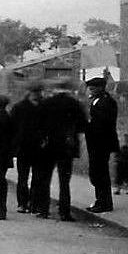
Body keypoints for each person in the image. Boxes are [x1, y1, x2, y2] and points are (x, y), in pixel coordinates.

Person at [30, 81, 86, 221]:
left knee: (45, 179)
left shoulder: (46, 103)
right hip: (66, 147)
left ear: (54, 89)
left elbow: (36, 125)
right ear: (67, 89)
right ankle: (64, 212)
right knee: (64, 181)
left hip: (48, 146)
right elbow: (82, 125)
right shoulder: (74, 104)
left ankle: (44, 210)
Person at [84, 76, 119, 213]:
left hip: (101, 143)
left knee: (100, 173)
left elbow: (103, 123)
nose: (90, 91)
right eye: (90, 88)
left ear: (101, 88)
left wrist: (88, 122)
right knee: (97, 173)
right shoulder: (96, 101)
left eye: (93, 88)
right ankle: (100, 200)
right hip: (95, 143)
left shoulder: (106, 102)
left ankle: (104, 202)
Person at [10, 83, 46, 214]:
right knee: (22, 177)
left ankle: (34, 203)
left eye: (38, 92)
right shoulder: (19, 107)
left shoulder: (45, 107)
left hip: (39, 148)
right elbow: (12, 127)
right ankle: (22, 203)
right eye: (34, 92)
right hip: (24, 148)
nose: (37, 94)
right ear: (29, 93)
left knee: (37, 177)